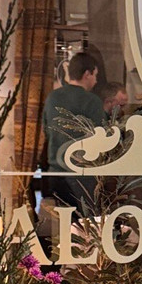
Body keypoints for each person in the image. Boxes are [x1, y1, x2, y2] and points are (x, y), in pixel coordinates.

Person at [42, 51, 105, 214]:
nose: (96, 80)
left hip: (55, 173)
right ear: (87, 74)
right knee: (85, 224)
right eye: (95, 75)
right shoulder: (92, 101)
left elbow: (46, 132)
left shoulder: (52, 97)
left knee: (60, 224)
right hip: (82, 176)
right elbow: (100, 139)